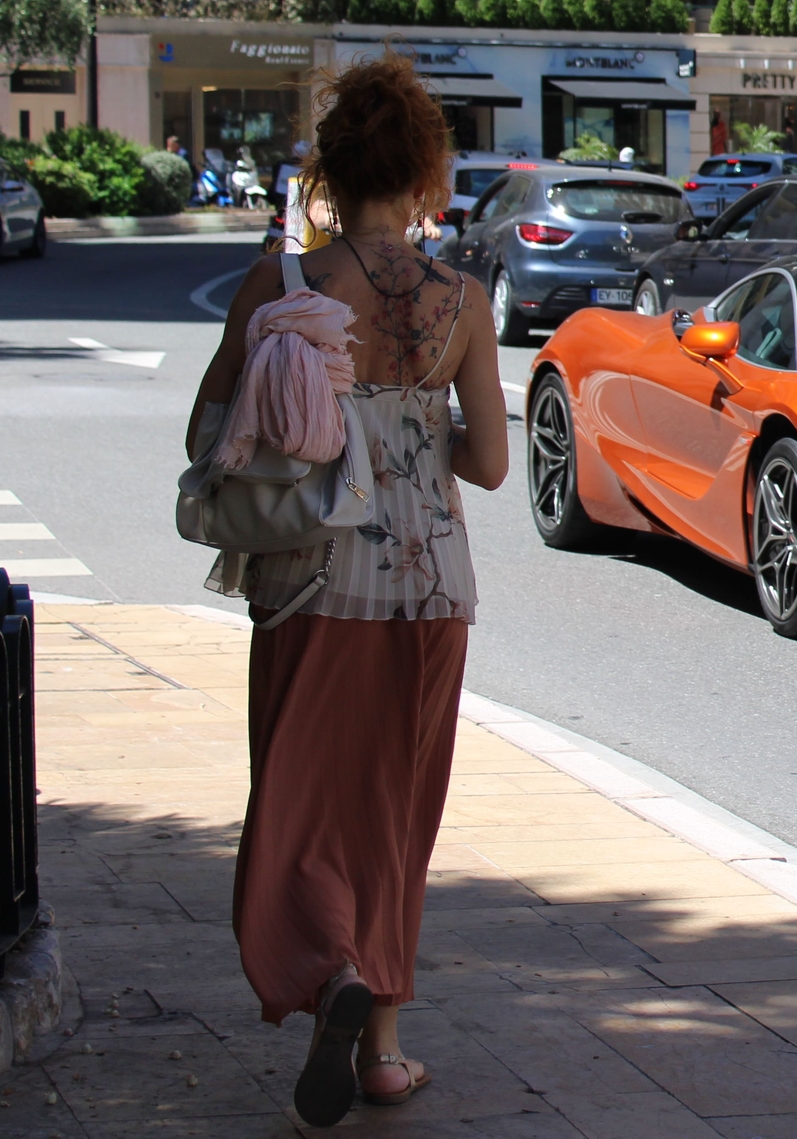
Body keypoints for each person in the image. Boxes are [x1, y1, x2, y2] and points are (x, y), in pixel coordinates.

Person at [186, 56, 506, 1125]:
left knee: (299, 798)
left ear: (330, 166)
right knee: (394, 812)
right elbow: (495, 465)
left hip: (309, 574)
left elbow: (209, 434)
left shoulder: (280, 285)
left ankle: (326, 973)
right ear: (424, 175)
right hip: (429, 587)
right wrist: (413, 420)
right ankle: (383, 1047)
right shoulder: (461, 298)